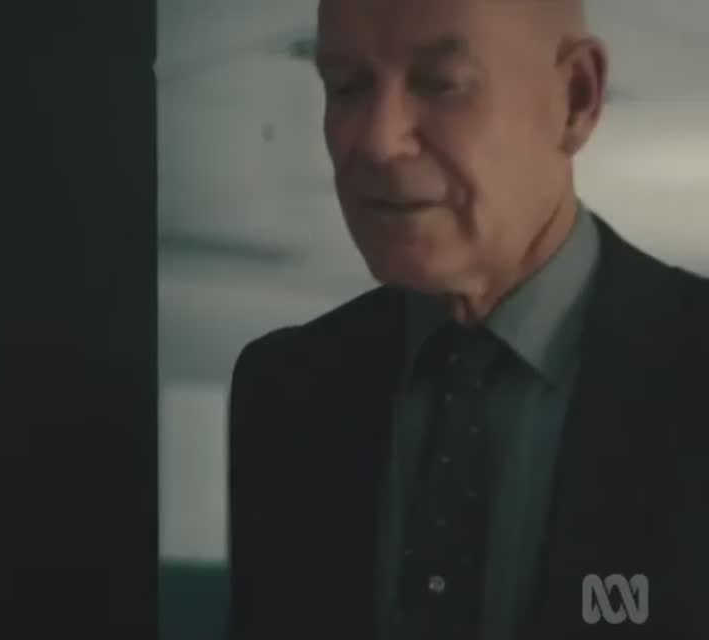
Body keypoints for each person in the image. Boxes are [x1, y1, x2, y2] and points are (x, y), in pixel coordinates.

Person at [225, 0, 709, 638]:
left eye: (441, 83)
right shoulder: (284, 388)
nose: (377, 140)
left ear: (575, 98)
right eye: (346, 86)